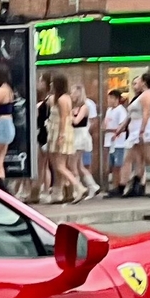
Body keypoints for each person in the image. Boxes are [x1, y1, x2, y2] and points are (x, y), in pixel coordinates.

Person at [42, 72, 80, 203]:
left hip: (60, 131)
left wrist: (61, 135)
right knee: (57, 165)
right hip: (56, 131)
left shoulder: (63, 99)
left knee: (59, 166)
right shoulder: (58, 98)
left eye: (53, 82)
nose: (51, 84)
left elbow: (64, 117)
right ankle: (58, 192)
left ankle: (78, 186)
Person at [69, 84, 100, 200]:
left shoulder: (84, 107)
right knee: (79, 164)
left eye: (73, 92)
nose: (71, 95)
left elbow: (76, 121)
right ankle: (92, 186)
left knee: (73, 165)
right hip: (75, 135)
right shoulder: (74, 107)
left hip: (80, 135)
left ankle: (77, 190)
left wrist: (68, 114)